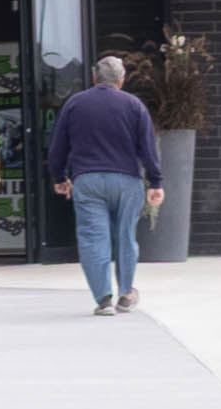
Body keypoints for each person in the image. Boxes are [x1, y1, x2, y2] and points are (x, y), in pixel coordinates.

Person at [41, 52, 165, 314]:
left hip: (87, 180)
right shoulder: (134, 106)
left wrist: (60, 178)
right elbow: (148, 147)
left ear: (95, 77)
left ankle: (103, 299)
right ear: (122, 79)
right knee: (125, 237)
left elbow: (57, 147)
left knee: (93, 239)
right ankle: (127, 293)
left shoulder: (75, 104)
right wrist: (155, 181)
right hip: (127, 180)